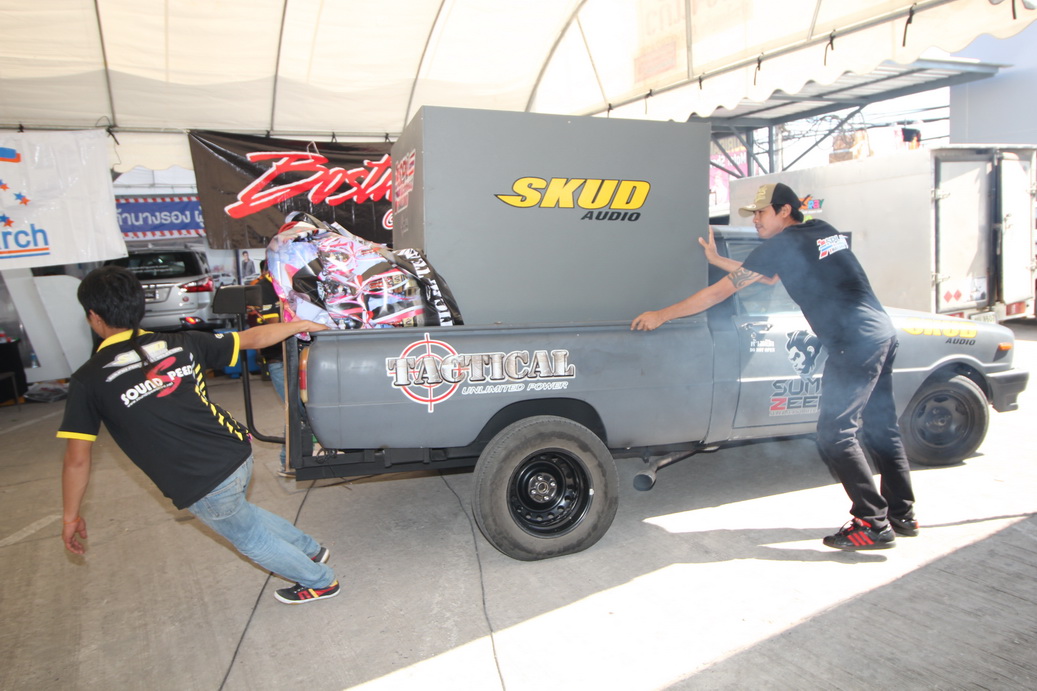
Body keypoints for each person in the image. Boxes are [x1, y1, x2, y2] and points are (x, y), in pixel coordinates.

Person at [632, 182, 917, 551]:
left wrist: (662, 314)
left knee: (835, 434)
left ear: (785, 210)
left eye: (761, 212)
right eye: (752, 214)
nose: (755, 220)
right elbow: (768, 277)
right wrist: (717, 260)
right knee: (882, 427)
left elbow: (719, 293)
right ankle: (902, 513)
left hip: (854, 343)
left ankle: (872, 522)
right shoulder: (821, 231)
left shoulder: (783, 244)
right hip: (881, 333)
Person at [59, 266, 339, 603]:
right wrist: (302, 325)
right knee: (240, 513)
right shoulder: (181, 342)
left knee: (249, 537)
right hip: (236, 453)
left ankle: (319, 581)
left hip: (198, 478)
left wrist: (70, 516)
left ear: (93, 315)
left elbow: (77, 460)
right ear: (139, 307)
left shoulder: (88, 380)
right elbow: (250, 338)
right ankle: (310, 550)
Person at [250, 260, 292, 477]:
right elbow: (273, 325)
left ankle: (296, 458)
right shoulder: (263, 288)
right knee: (294, 408)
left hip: (298, 353)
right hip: (278, 358)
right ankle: (288, 462)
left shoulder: (292, 284)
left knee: (304, 407)